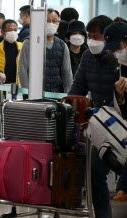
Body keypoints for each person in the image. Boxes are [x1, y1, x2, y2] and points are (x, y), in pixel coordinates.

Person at [68, 15, 121, 218]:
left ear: (107, 37)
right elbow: (77, 87)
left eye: (96, 36)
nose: (91, 41)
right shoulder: (88, 57)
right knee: (95, 176)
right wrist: (69, 105)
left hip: (122, 125)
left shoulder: (119, 58)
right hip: (100, 126)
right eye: (89, 36)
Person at [18, 8, 73, 93]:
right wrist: (26, 92)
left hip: (56, 94)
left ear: (58, 23)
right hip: (34, 94)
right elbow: (22, 70)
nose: (50, 23)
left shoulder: (62, 45)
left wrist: (67, 96)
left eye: (54, 21)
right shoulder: (29, 43)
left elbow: (67, 73)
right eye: (47, 20)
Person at [103, 22, 127, 203]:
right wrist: (121, 98)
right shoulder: (121, 67)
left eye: (117, 47)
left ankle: (122, 188)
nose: (117, 53)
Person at [0, 19, 22, 138]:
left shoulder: (22, 48)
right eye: (9, 30)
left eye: (15, 30)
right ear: (2, 32)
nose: (13, 32)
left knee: (16, 125)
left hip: (18, 93)